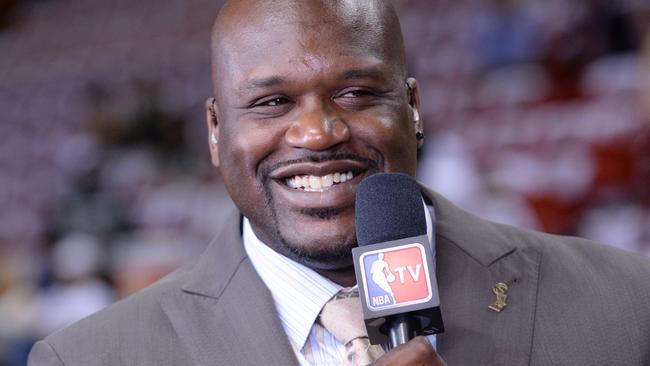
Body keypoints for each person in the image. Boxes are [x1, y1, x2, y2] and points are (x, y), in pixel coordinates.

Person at [28, 0, 650, 365]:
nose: (319, 132)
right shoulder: (89, 359)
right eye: (271, 102)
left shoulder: (627, 303)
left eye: (355, 92)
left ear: (412, 108)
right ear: (216, 132)